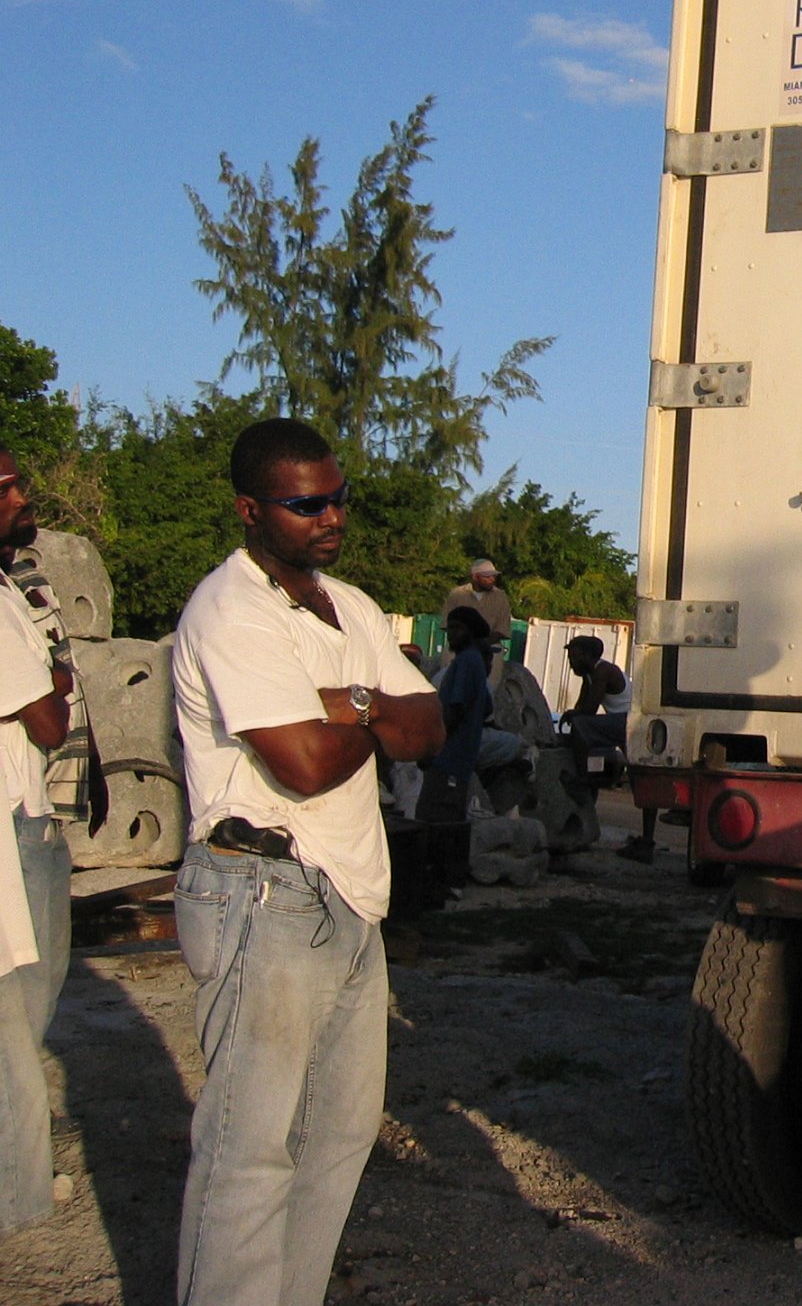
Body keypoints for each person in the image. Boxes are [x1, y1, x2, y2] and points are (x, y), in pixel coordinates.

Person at [171, 417, 443, 1306]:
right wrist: (373, 713)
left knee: (337, 1136)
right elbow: (301, 761)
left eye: (338, 497)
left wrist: (348, 700)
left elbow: (428, 730)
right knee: (249, 1152)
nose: (329, 518)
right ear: (252, 510)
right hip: (261, 889)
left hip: (350, 896)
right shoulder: (231, 610)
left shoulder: (348, 605)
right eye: (305, 504)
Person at [0, 447, 71, 1240]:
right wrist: (49, 687)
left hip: (32, 806)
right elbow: (49, 715)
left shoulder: (15, 588)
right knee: (17, 1009)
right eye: (6, 487)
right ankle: (13, 1187)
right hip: (14, 818)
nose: (23, 496)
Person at [419, 606, 494, 823]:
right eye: (449, 629)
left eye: (457, 628)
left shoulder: (465, 662)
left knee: (434, 818)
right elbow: (487, 707)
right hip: (463, 759)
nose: (451, 634)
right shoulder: (476, 662)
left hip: (448, 759)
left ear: (470, 631)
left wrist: (433, 748)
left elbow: (456, 709)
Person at [560, 636, 628, 787]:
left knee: (582, 725)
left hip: (625, 720)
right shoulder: (589, 675)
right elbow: (581, 704)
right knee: (579, 723)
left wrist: (573, 715)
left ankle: (582, 778)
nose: (571, 664)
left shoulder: (602, 671)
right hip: (621, 720)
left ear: (588, 656)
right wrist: (574, 713)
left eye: (575, 658)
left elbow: (590, 709)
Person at [441, 557, 513, 650]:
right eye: (487, 576)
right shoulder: (456, 594)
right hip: (459, 647)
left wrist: (481, 644)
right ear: (475, 577)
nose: (492, 579)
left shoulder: (500, 597)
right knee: (449, 658)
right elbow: (447, 624)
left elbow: (502, 629)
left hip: (491, 647)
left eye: (494, 576)